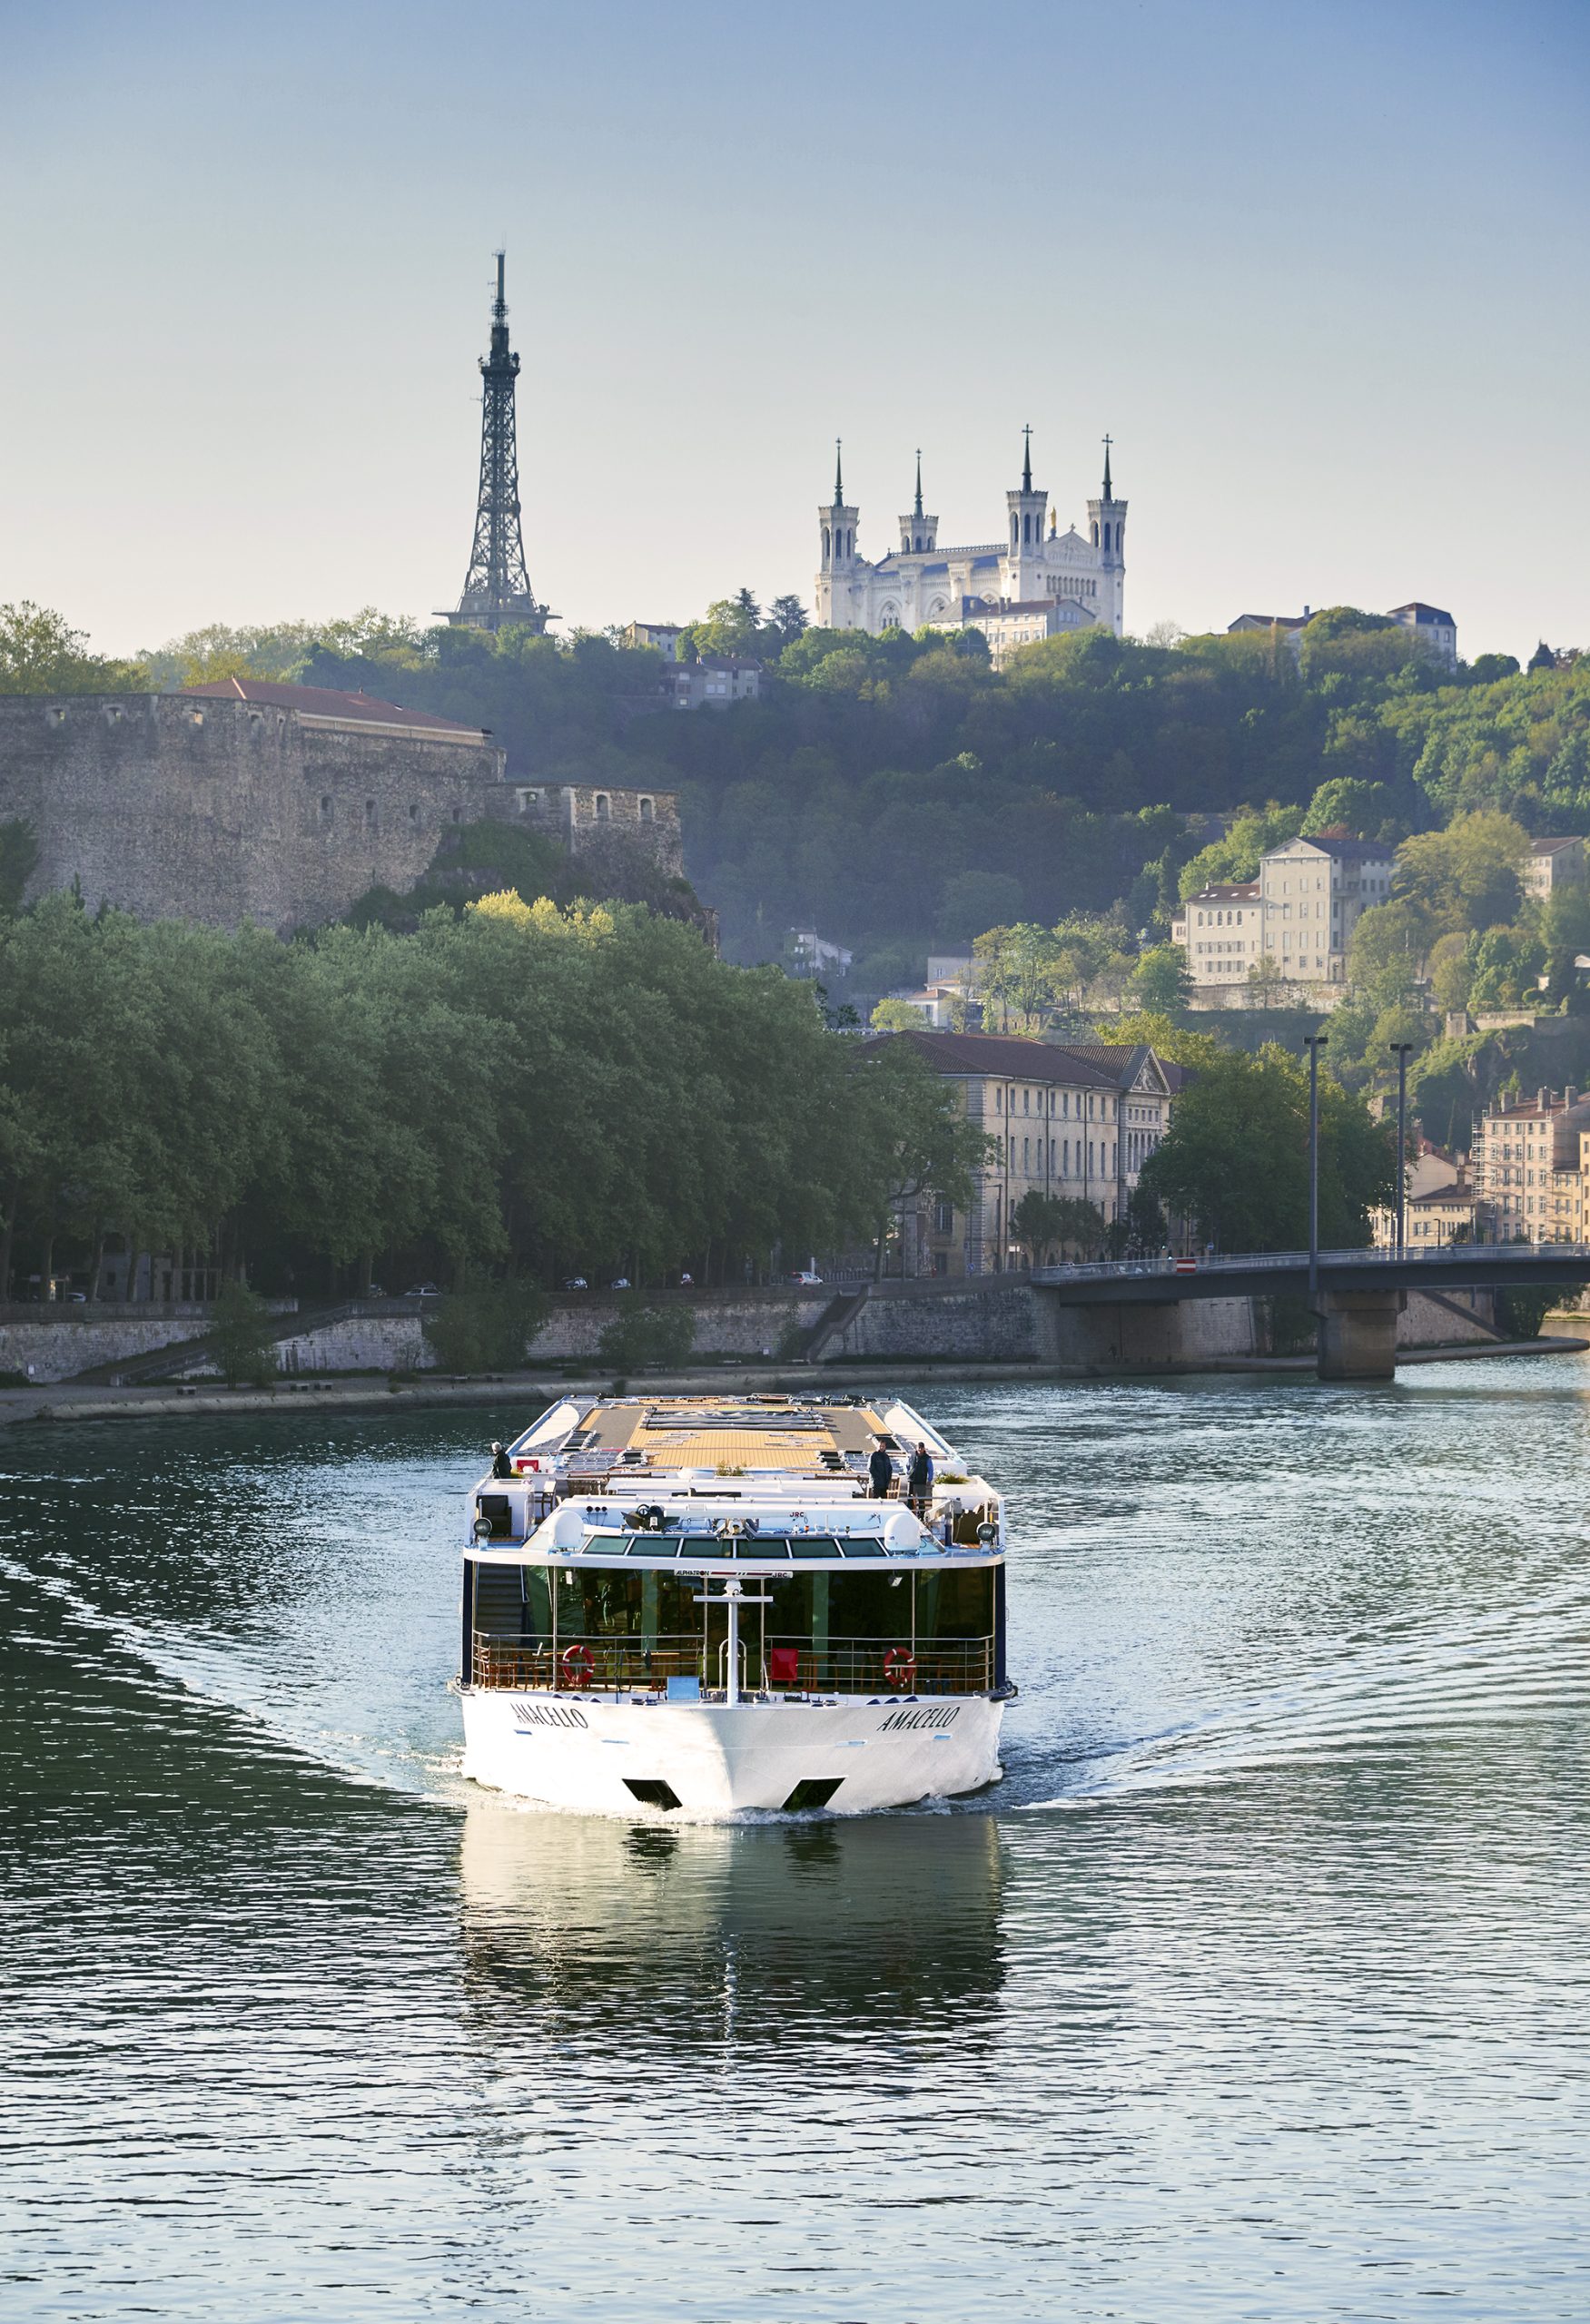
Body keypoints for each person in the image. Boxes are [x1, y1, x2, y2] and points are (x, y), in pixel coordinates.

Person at [906, 1441, 933, 1515]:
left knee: (921, 1499)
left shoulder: (927, 1458)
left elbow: (930, 1469)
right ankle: (910, 1513)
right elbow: (907, 1465)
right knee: (910, 1497)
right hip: (911, 1479)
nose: (920, 1450)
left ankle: (921, 1515)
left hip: (921, 1480)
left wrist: (929, 1479)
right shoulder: (912, 1456)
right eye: (919, 1448)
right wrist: (908, 1472)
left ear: (924, 1449)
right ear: (916, 1448)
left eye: (921, 1448)